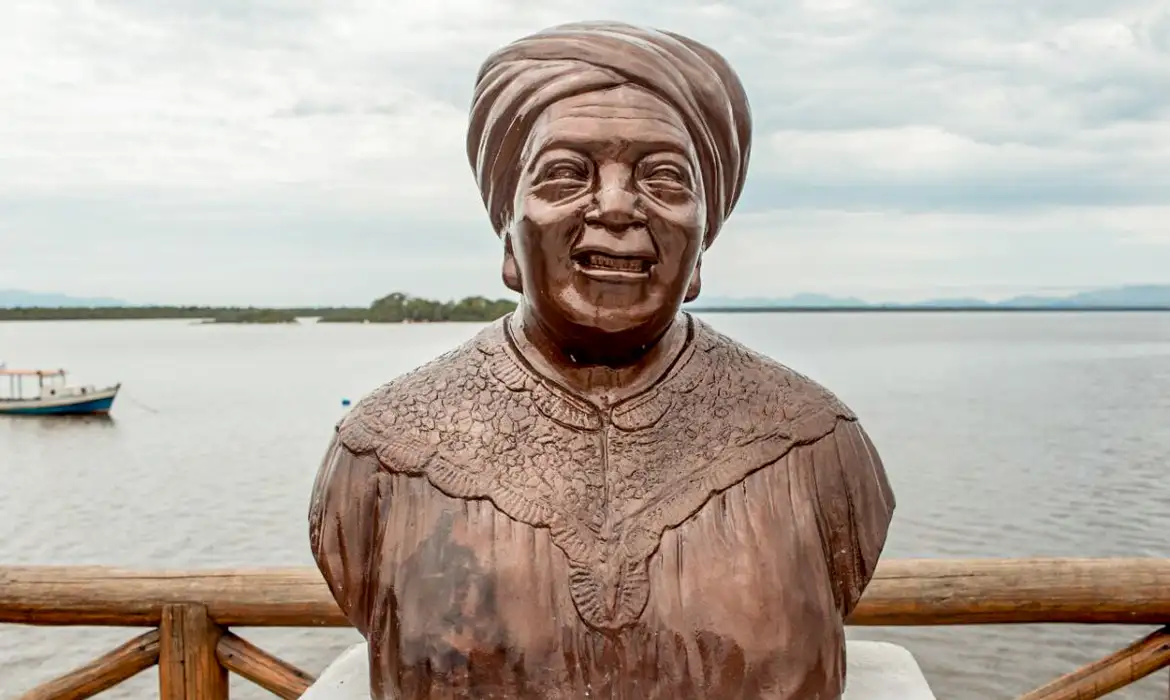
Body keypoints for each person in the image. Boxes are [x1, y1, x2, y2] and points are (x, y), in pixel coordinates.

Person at [309, 20, 895, 699]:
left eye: (665, 177)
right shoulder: (383, 451)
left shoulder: (816, 444)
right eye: (565, 173)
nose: (616, 206)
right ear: (508, 227)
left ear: (703, 237)